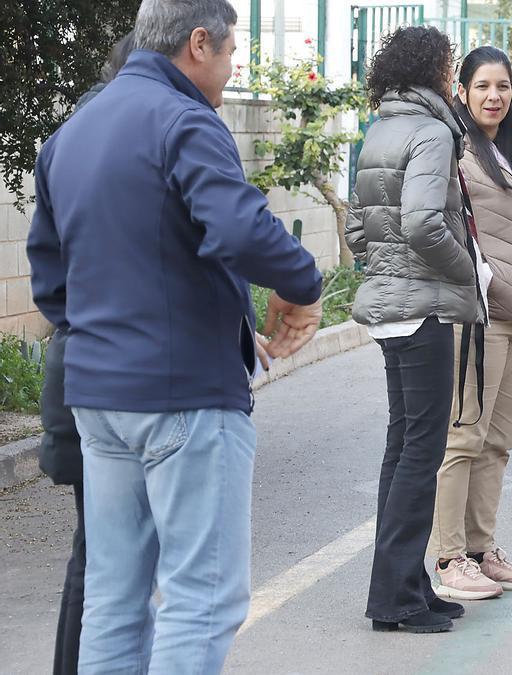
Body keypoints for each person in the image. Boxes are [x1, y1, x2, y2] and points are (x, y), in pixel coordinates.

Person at [27, 1, 325, 671]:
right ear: (198, 43)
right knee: (202, 599)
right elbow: (243, 229)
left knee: (113, 596)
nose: (233, 62)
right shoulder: (186, 120)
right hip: (184, 392)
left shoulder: (73, 132)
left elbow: (51, 281)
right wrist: (302, 285)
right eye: (229, 49)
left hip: (99, 397)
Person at [345, 24, 485, 634]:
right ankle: (396, 598)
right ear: (434, 68)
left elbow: (357, 231)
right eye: (450, 64)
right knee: (419, 453)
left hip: (391, 308)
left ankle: (402, 587)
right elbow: (427, 225)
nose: (453, 75)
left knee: (404, 448)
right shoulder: (431, 132)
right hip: (423, 309)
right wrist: (469, 276)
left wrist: (387, 267)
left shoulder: (380, 130)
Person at [432, 45, 512, 601]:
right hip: (479, 317)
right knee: (463, 438)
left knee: (500, 442)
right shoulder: (453, 151)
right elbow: (447, 230)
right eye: (482, 86)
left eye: (502, 86)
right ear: (462, 91)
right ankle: (449, 557)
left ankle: (483, 551)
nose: (494, 96)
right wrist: (481, 286)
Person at [38, 30, 134, 675]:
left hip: (80, 371)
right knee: (109, 557)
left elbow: (49, 281)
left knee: (97, 550)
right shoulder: (143, 143)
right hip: (115, 381)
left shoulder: (68, 141)